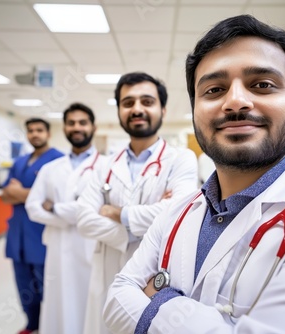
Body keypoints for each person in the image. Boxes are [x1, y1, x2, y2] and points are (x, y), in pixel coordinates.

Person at [103, 15, 285, 333]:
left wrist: (157, 302)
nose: (235, 102)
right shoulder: (175, 214)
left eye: (262, 85)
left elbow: (130, 310)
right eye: (214, 90)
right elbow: (114, 303)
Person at [76, 72, 199, 334]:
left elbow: (179, 213)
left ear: (162, 109)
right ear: (119, 110)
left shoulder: (181, 159)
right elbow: (84, 220)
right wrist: (134, 230)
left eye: (147, 101)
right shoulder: (104, 165)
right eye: (128, 103)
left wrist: (115, 212)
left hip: (154, 276)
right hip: (107, 269)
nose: (137, 109)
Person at [25, 103, 106, 334]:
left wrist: (54, 208)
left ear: (93, 127)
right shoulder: (51, 168)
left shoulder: (108, 166)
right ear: (64, 128)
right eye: (71, 123)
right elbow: (33, 207)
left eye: (82, 122)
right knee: (60, 304)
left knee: (92, 303)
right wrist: (77, 213)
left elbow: (105, 209)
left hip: (93, 246)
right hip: (58, 249)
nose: (76, 127)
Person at [1, 118, 63, 334]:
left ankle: (50, 326)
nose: (35, 134)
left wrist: (19, 192)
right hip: (18, 235)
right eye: (30, 131)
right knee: (24, 286)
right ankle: (33, 324)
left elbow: (56, 200)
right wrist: (33, 195)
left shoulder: (59, 161)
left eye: (39, 130)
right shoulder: (19, 162)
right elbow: (5, 196)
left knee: (48, 286)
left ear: (48, 133)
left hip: (41, 234)